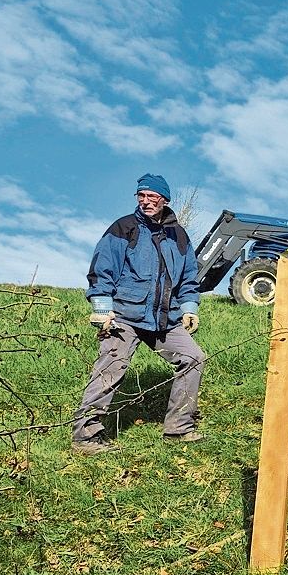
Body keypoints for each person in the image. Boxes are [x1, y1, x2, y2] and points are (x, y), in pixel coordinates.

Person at [72, 174, 206, 454]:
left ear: (165, 199)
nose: (146, 201)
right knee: (110, 369)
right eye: (141, 196)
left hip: (164, 319)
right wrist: (101, 309)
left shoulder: (179, 236)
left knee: (194, 358)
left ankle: (179, 427)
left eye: (152, 196)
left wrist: (189, 307)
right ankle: (86, 437)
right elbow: (102, 269)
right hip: (124, 315)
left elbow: (189, 276)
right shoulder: (124, 228)